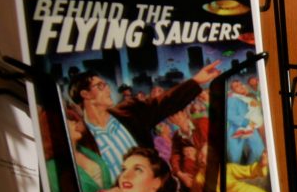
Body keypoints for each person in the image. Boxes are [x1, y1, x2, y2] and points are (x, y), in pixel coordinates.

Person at [68, 60, 221, 181]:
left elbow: (164, 102)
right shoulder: (78, 137)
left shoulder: (130, 112)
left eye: (106, 85)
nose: (108, 89)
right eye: (100, 86)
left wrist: (195, 81)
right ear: (85, 94)